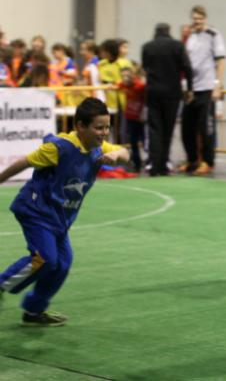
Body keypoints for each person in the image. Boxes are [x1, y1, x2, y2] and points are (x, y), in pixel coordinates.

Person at [0, 98, 129, 326]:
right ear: (80, 126)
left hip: (59, 219)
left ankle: (33, 311)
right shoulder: (59, 148)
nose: (104, 132)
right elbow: (24, 163)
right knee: (46, 259)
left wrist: (117, 155)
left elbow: (124, 152)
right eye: (98, 127)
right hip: (36, 210)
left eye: (107, 127)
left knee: (63, 264)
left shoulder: (99, 148)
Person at [141, 23, 193, 176]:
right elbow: (187, 67)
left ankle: (154, 165)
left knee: (154, 129)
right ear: (169, 32)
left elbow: (145, 67)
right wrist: (189, 89)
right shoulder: (177, 46)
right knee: (168, 129)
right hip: (172, 93)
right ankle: (164, 164)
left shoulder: (147, 46)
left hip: (153, 93)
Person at [182, 5, 226, 176]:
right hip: (192, 90)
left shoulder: (214, 35)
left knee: (206, 128)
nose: (197, 22)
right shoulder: (191, 36)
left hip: (208, 88)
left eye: (200, 19)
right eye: (194, 19)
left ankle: (208, 162)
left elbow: (221, 61)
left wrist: (217, 85)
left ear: (205, 19)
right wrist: (186, 87)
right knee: (187, 127)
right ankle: (192, 160)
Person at [118, 67, 146, 172]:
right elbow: (117, 85)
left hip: (141, 118)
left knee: (144, 140)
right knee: (133, 141)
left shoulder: (140, 86)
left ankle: (148, 160)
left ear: (133, 75)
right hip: (130, 117)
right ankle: (137, 163)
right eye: (123, 76)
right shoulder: (123, 85)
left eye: (127, 76)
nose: (125, 78)